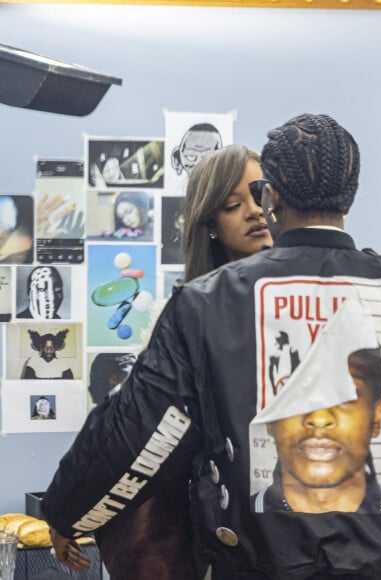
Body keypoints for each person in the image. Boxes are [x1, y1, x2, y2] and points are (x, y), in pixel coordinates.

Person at [43, 114, 381, 580]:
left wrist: (68, 510)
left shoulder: (205, 303)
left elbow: (142, 429)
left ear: (270, 195)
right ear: (350, 196)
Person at [87, 144, 273, 580]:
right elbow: (145, 437)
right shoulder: (181, 319)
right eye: (233, 204)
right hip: (226, 534)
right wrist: (73, 511)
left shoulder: (316, 298)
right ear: (210, 223)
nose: (255, 212)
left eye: (261, 194)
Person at [253, 347, 381, 514]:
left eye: (345, 396)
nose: (319, 418)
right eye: (295, 393)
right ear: (269, 416)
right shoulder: (236, 521)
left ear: (376, 416)